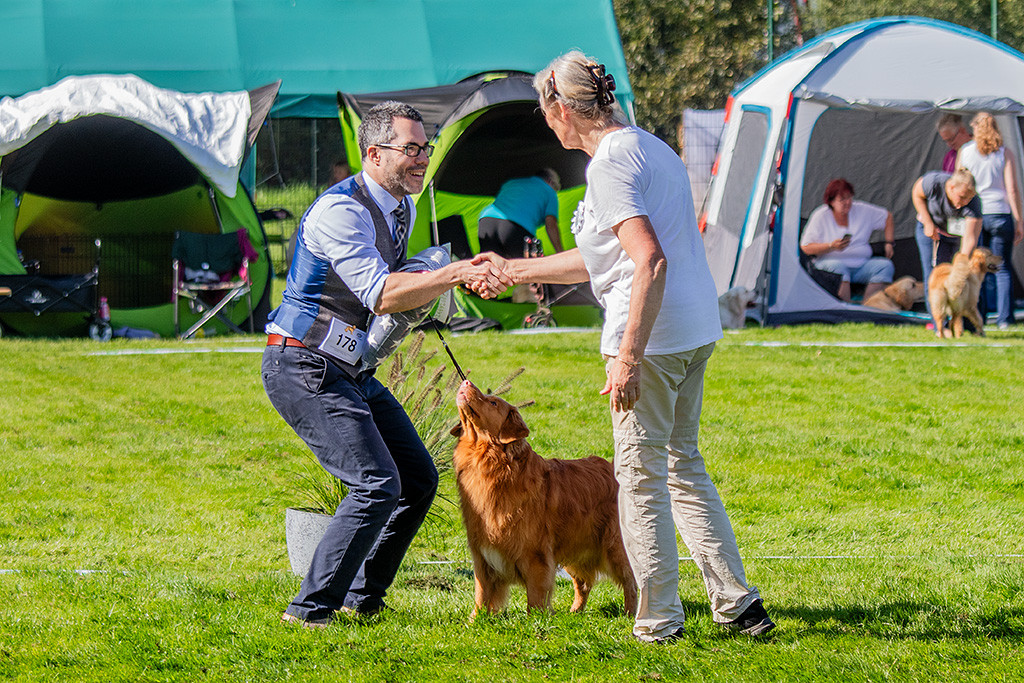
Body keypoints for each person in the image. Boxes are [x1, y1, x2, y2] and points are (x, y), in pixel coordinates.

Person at [478, 51, 773, 643]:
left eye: (545, 111)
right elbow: (601, 259)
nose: (547, 123)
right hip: (692, 329)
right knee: (682, 467)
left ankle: (659, 619)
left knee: (637, 480)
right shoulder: (647, 146)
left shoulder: (609, 164)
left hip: (655, 340)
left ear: (563, 107)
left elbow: (649, 258)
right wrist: (512, 270)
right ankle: (738, 605)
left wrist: (629, 356)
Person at [262, 101, 511, 628]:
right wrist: (457, 273)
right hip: (302, 365)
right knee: (376, 483)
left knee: (417, 478)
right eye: (411, 149)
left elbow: (400, 284)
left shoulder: (403, 206)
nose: (422, 159)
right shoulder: (341, 210)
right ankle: (308, 612)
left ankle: (360, 595)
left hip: (349, 368)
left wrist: (437, 272)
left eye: (425, 147)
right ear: (373, 154)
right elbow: (380, 293)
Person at [955, 113, 1023, 329]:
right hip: (1001, 214)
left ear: (975, 129)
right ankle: (1005, 319)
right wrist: (1019, 219)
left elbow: (958, 182)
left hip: (975, 215)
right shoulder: (1004, 153)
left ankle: (978, 315)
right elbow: (1012, 189)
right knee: (1002, 268)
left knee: (976, 268)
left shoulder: (965, 152)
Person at [800, 178, 896, 302]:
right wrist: (831, 246)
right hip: (830, 264)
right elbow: (806, 247)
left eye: (849, 197)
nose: (848, 202)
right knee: (838, 267)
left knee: (885, 266)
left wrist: (889, 243)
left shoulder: (862, 210)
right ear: (831, 202)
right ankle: (846, 307)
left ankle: (869, 306)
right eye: (842, 199)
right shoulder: (820, 215)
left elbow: (888, 217)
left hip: (860, 265)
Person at [911, 168, 983, 312]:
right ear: (951, 187)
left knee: (963, 275)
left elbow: (970, 238)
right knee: (933, 274)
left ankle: (964, 321)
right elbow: (916, 194)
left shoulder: (974, 202)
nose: (964, 203)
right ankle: (938, 325)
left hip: (956, 236)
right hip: (932, 230)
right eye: (962, 197)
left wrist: (961, 263)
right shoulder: (933, 182)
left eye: (968, 198)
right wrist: (927, 222)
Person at [477, 169, 564, 258]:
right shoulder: (549, 191)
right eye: (556, 187)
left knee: (490, 265)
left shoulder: (511, 183)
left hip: (486, 220)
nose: (555, 191)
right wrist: (560, 253)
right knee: (527, 267)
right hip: (515, 227)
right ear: (550, 181)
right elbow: (551, 224)